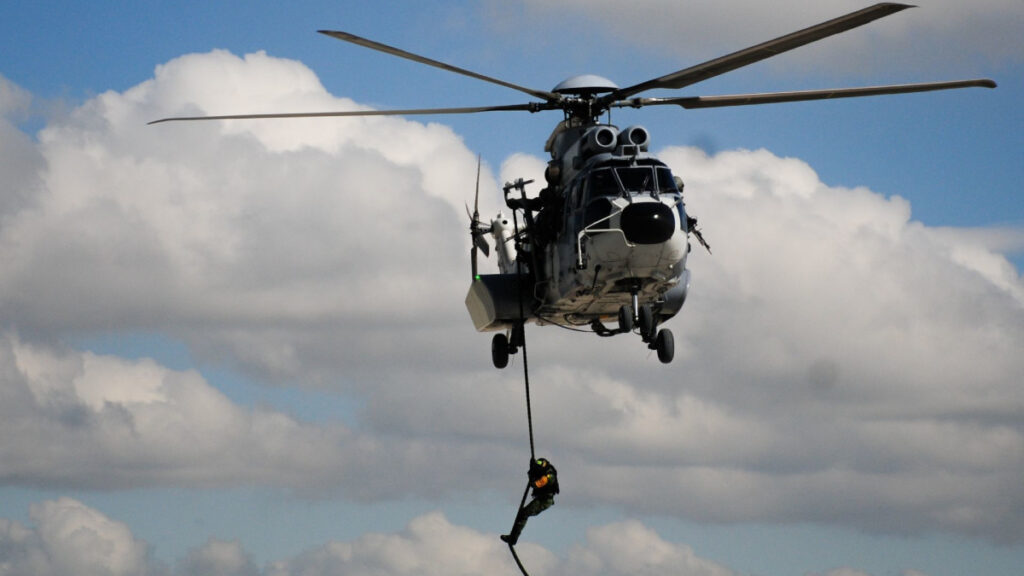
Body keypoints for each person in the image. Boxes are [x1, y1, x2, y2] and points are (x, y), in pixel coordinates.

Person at [501, 458, 559, 545]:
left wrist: (532, 474)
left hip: (545, 500)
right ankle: (513, 537)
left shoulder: (548, 476)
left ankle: (513, 538)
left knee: (524, 514)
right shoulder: (542, 471)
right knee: (523, 513)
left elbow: (535, 484)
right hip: (541, 498)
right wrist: (532, 467)